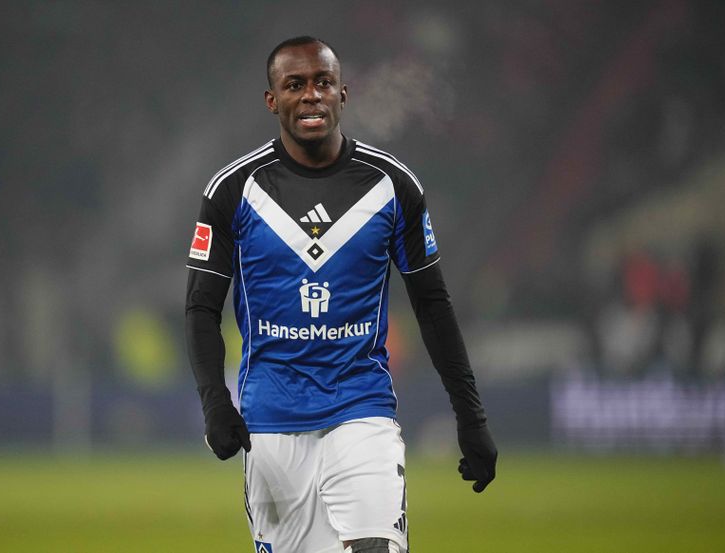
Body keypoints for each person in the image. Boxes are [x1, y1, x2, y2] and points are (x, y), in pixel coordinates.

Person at [185, 36, 497, 553]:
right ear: (272, 100)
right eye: (295, 85)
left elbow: (433, 306)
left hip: (361, 410)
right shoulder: (233, 190)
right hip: (270, 426)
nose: (311, 95)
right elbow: (201, 308)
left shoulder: (392, 185)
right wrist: (216, 404)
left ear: (343, 94)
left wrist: (471, 417)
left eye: (323, 83)